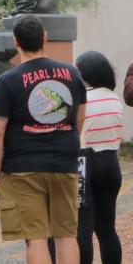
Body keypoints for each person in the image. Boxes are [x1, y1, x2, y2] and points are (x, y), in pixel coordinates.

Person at [0, 14, 86, 264]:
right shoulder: (72, 73)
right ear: (45, 38)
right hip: (65, 164)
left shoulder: (7, 81)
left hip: (23, 168)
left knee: (36, 238)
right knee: (66, 235)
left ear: (15, 42)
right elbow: (79, 119)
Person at [74, 51, 123, 264]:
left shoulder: (82, 99)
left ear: (87, 75)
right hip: (111, 162)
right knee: (107, 229)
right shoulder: (114, 98)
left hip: (85, 163)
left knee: (82, 230)